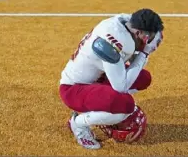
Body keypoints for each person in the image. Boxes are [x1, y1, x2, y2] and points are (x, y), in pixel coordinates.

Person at [59, 9, 164, 149]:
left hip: (97, 78)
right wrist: (144, 53)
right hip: (73, 89)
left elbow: (133, 60)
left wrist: (147, 44)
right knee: (125, 106)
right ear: (139, 33)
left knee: (143, 78)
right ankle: (78, 124)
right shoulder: (114, 41)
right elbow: (122, 86)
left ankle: (105, 107)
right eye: (149, 38)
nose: (150, 41)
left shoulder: (126, 22)